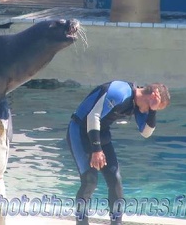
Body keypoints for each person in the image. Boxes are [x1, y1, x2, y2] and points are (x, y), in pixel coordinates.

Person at [66, 81, 170, 225]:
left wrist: (152, 110)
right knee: (90, 181)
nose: (148, 111)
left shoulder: (137, 104)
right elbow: (92, 117)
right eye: (154, 107)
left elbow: (146, 132)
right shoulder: (119, 91)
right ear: (151, 95)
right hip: (80, 131)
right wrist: (96, 150)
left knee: (115, 180)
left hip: (100, 133)